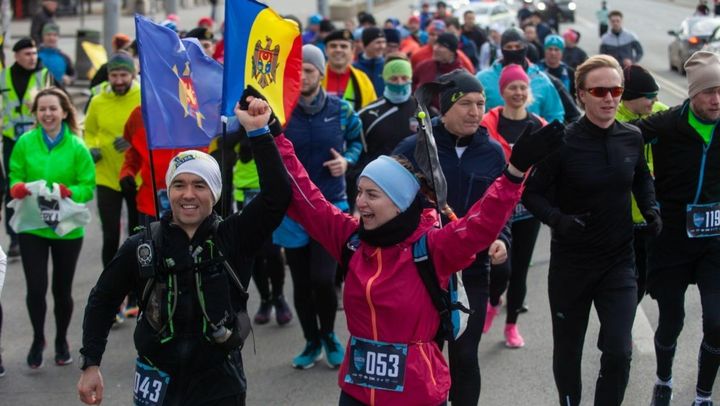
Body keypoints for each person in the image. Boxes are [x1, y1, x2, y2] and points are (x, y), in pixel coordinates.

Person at [274, 69, 562, 406]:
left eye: (371, 195)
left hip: (423, 371)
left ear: (399, 202)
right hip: (356, 393)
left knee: (465, 357)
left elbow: (481, 224)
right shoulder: (352, 240)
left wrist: (513, 175)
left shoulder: (434, 246)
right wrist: (268, 134)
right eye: (360, 193)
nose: (361, 203)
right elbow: (306, 199)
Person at [77, 96, 291, 406]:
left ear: (214, 193)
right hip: (157, 382)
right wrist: (91, 363)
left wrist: (259, 132)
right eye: (179, 185)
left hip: (219, 383)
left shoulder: (234, 236)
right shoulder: (142, 246)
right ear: (168, 190)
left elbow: (278, 196)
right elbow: (103, 299)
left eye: (199, 185)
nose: (188, 194)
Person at [522, 54, 659, 406]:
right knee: (568, 350)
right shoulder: (562, 143)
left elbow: (641, 178)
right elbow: (531, 194)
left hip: (619, 263)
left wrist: (651, 209)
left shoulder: (631, 137)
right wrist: (558, 220)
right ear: (581, 94)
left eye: (616, 90)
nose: (610, 98)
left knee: (618, 350)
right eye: (600, 91)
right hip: (572, 266)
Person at [393, 69, 510, 406]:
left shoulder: (492, 153)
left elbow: (501, 207)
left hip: (471, 272)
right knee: (423, 358)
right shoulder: (411, 149)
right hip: (422, 270)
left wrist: (501, 237)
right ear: (444, 108)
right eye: (466, 104)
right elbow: (386, 203)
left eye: (481, 103)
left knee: (464, 356)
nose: (476, 112)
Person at [631, 51, 720, 406]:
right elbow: (619, 139)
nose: (716, 99)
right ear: (692, 93)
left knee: (716, 323)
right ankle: (664, 380)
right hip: (670, 240)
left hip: (715, 241)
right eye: (708, 91)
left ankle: (702, 395)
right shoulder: (665, 124)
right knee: (672, 319)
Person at [275, 45, 362, 370]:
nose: (302, 76)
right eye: (297, 71)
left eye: (308, 70)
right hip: (292, 211)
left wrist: (347, 160)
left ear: (321, 73)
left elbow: (357, 143)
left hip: (330, 206)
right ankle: (311, 340)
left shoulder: (342, 110)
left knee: (324, 279)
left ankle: (329, 336)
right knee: (300, 282)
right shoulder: (282, 112)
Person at [9, 87, 95, 368]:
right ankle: (37, 339)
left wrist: (70, 192)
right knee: (36, 288)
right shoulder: (25, 142)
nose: (47, 114)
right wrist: (17, 188)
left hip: (66, 228)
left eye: (52, 109)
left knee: (62, 290)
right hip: (32, 225)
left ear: (65, 112)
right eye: (42, 109)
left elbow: (87, 187)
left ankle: (60, 339)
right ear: (35, 113)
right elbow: (15, 175)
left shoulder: (77, 147)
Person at [481, 64, 546, 349]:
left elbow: (549, 166)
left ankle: (511, 326)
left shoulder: (539, 125)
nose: (518, 92)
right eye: (512, 87)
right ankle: (493, 302)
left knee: (520, 270)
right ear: (502, 91)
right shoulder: (487, 124)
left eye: (522, 87)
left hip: (528, 209)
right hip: (497, 206)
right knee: (499, 267)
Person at [83, 52, 141, 320]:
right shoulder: (97, 100)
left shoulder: (142, 96)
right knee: (110, 237)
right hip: (106, 175)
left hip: (135, 175)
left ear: (132, 75)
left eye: (123, 75)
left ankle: (136, 294)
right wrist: (93, 148)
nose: (119, 81)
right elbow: (90, 131)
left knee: (136, 235)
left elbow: (151, 129)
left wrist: (132, 142)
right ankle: (113, 295)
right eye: (114, 76)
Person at [614, 65, 668, 304]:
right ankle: (616, 338)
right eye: (649, 96)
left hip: (653, 214)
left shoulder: (662, 113)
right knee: (628, 289)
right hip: (622, 220)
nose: (655, 100)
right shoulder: (612, 119)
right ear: (630, 97)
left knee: (651, 283)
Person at [1, 38, 54, 259]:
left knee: (42, 182)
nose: (33, 57)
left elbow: (59, 103)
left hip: (37, 140)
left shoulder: (44, 75)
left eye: (34, 53)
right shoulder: (3, 77)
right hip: (12, 139)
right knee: (14, 186)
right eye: (27, 54)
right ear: (16, 56)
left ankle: (45, 228)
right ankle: (14, 237)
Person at [231, 135, 293, 326]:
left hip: (270, 201)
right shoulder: (232, 123)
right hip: (243, 200)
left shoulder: (270, 121)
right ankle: (265, 300)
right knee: (255, 256)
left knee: (274, 253)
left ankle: (279, 297)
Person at [477, 27, 565, 124]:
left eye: (518, 47)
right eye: (509, 47)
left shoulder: (541, 80)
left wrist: (545, 136)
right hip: (492, 136)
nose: (514, 50)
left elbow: (554, 114)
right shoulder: (482, 79)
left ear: (526, 48)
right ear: (502, 49)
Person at [356, 57, 417, 176]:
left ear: (410, 79)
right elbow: (358, 153)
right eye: (394, 78)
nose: (400, 83)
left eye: (404, 78)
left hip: (416, 182)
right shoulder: (366, 114)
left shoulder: (424, 111)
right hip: (378, 180)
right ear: (385, 80)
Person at [323, 29, 378, 112]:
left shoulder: (363, 80)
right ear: (326, 51)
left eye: (343, 46)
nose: (338, 50)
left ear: (352, 51)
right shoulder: (315, 77)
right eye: (333, 46)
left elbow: (372, 112)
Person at [410, 20, 475, 74]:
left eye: (439, 34)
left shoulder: (458, 55)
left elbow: (471, 74)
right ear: (427, 35)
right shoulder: (417, 55)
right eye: (432, 34)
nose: (435, 37)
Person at [37, 23, 74, 88]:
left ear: (58, 37)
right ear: (43, 36)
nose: (51, 38)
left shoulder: (64, 57)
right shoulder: (35, 56)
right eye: (48, 35)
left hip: (58, 93)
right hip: (38, 93)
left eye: (54, 35)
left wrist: (70, 79)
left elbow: (73, 74)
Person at [353, 27, 386, 95]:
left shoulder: (387, 66)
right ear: (366, 44)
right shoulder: (355, 68)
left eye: (383, 42)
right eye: (378, 42)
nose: (382, 46)